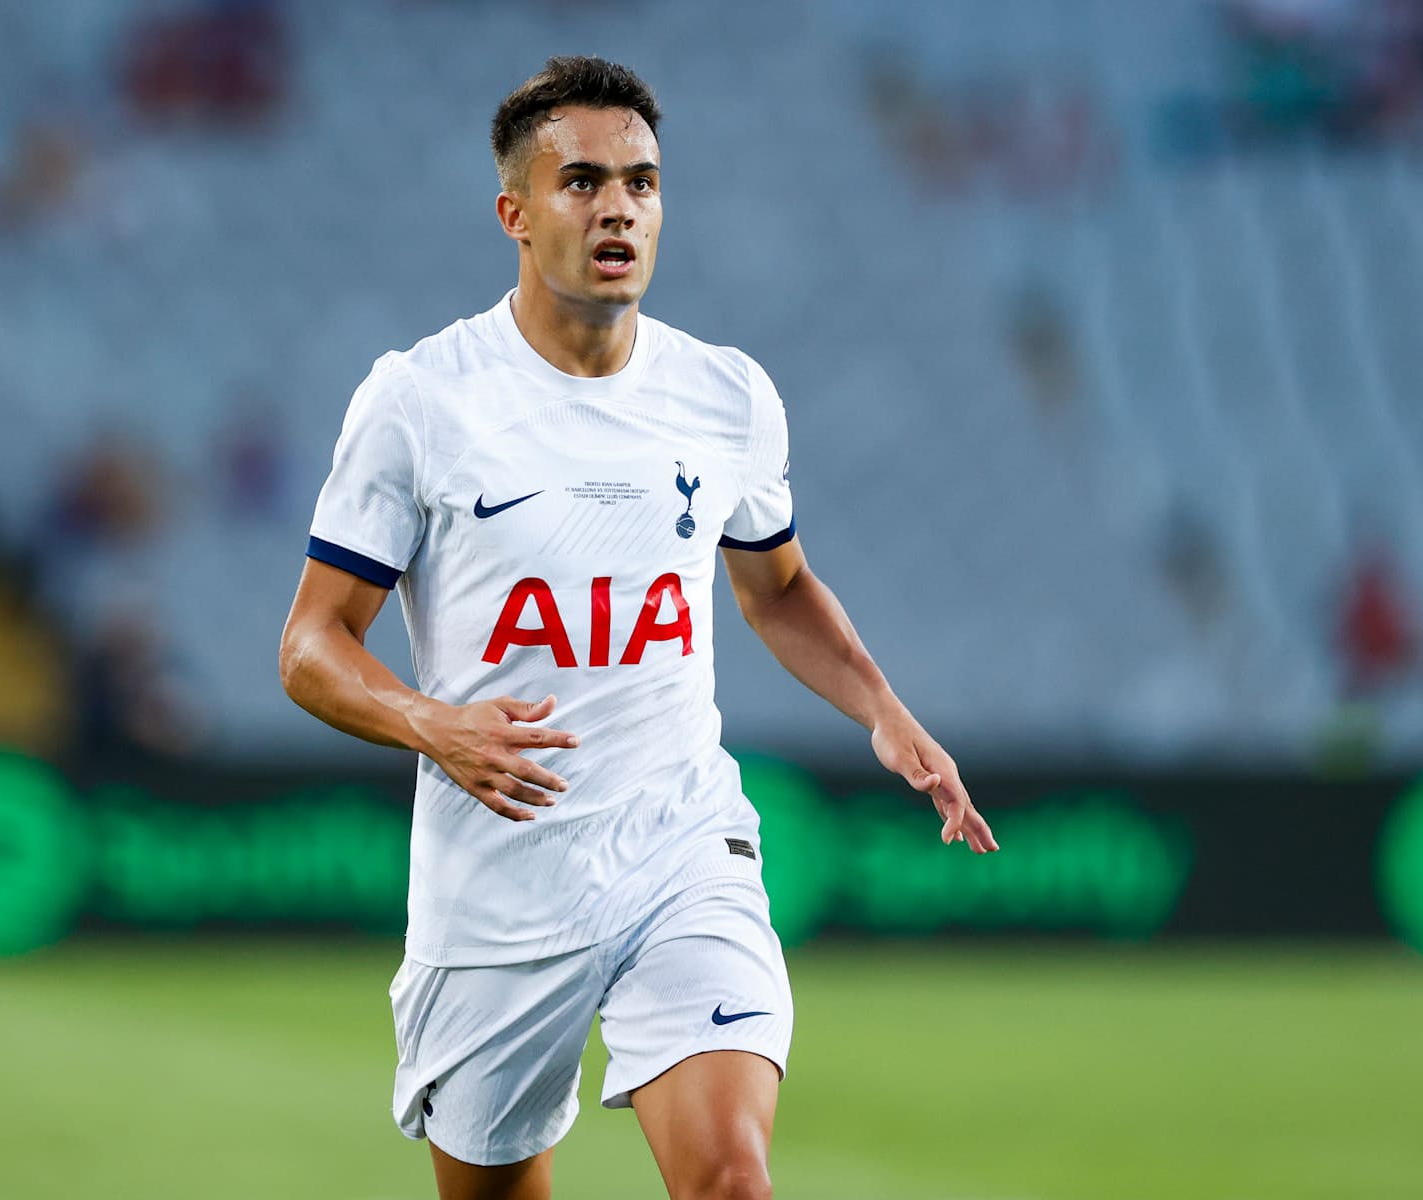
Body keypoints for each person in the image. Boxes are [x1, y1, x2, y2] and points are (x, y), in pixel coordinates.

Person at [278, 56, 997, 1200]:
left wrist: (882, 707)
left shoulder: (727, 398)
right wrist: (438, 728)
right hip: (498, 883)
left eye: (642, 182)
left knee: (731, 1182)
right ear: (515, 212)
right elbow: (310, 647)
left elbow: (778, 586)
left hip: (679, 850)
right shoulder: (420, 403)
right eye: (582, 182)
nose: (618, 206)